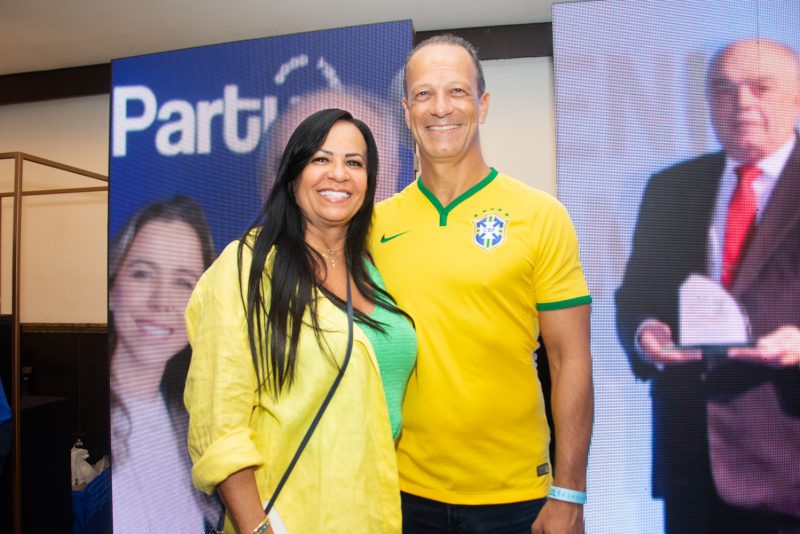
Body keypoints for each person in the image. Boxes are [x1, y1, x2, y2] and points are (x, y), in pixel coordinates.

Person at [369, 35, 593, 533]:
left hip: (518, 498)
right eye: (424, 94)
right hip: (402, 495)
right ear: (407, 111)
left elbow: (570, 358)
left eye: (457, 91)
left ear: (483, 105)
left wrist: (570, 493)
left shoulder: (540, 216)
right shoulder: (374, 225)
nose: (440, 108)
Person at [184, 108, 416, 533]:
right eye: (321, 159)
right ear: (293, 176)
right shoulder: (246, 269)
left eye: (354, 162)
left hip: (374, 512)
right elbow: (220, 426)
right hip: (288, 518)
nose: (339, 174)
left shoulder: (374, 268)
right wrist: (258, 528)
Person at [616, 38, 800, 533]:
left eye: (760, 88)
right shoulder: (671, 187)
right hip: (692, 462)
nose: (741, 103)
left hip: (790, 461)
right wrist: (646, 332)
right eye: (723, 90)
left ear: (797, 98)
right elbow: (636, 296)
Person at [109, 195, 218, 531]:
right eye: (142, 274)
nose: (161, 301)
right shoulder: (88, 419)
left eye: (183, 282)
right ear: (113, 287)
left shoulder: (193, 419)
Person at [260, 86, 408, 202]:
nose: (335, 176)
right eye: (297, 164)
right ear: (264, 180)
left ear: (393, 175)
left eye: (353, 163)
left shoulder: (421, 238)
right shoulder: (249, 241)